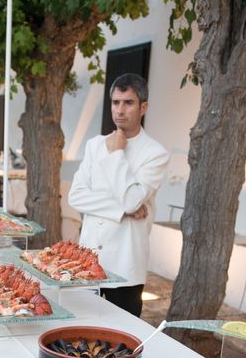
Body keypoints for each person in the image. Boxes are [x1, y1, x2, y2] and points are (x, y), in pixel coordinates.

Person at [68, 73, 169, 317]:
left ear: (143, 107)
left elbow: (133, 199)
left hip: (125, 263)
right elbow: (76, 196)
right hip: (87, 261)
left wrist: (116, 155)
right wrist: (123, 210)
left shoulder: (155, 153)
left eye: (128, 103)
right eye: (115, 102)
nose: (120, 110)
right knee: (81, 334)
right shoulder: (95, 145)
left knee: (120, 339)